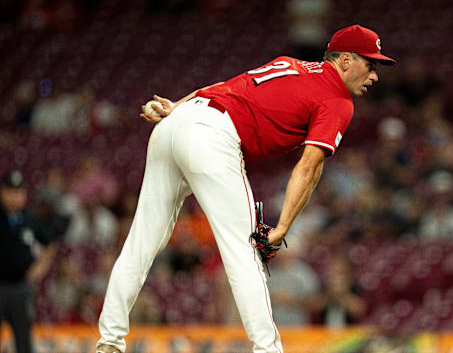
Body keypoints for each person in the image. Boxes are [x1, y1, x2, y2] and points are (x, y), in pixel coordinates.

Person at [95, 24, 395, 353]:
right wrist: (283, 226)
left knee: (142, 240)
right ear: (347, 60)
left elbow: (223, 86)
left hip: (177, 124)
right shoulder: (337, 99)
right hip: (212, 135)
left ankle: (109, 341)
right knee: (245, 251)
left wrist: (176, 107)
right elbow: (309, 166)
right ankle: (268, 350)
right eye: (371, 64)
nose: (375, 75)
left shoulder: (290, 64)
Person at [1, 170, 56, 353]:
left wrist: (39, 268)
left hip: (21, 287)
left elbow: (50, 244)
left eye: (19, 192)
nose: (15, 197)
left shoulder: (30, 219)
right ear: (3, 192)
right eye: (11, 192)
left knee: (24, 340)